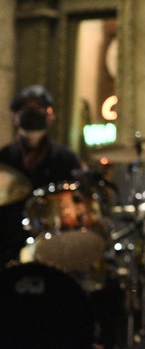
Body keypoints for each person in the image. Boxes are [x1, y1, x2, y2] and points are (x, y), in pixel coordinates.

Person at [0, 84, 85, 264]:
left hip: (55, 245)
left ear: (51, 115)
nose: (33, 114)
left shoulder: (67, 160)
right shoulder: (3, 159)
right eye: (26, 110)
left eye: (40, 109)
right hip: (8, 245)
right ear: (15, 117)